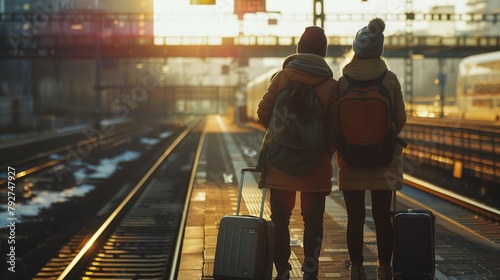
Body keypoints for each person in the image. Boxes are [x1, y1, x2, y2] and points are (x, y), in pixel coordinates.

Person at [256, 26, 338, 280]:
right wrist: (324, 149)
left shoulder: (282, 77)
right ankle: (310, 271)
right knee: (313, 221)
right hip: (316, 164)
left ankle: (281, 270)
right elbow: (336, 127)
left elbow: (263, 112)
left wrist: (282, 137)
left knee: (280, 218)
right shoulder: (331, 85)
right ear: (323, 52)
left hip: (281, 161)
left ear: (299, 49)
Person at [336, 18, 407, 280]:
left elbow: (335, 122)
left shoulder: (342, 83)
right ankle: (384, 269)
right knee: (382, 218)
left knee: (354, 219)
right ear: (380, 50)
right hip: (383, 159)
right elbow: (400, 120)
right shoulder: (390, 80)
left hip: (351, 160)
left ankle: (356, 270)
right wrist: (381, 134)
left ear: (356, 48)